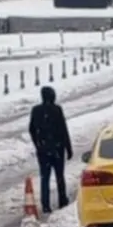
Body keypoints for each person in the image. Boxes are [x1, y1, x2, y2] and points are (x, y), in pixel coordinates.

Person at [28, 86, 73, 214]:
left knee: (45, 177)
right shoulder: (57, 110)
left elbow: (31, 129)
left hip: (43, 151)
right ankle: (62, 200)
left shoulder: (36, 110)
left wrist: (38, 143)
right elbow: (63, 130)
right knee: (59, 176)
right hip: (57, 149)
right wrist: (68, 148)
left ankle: (46, 204)